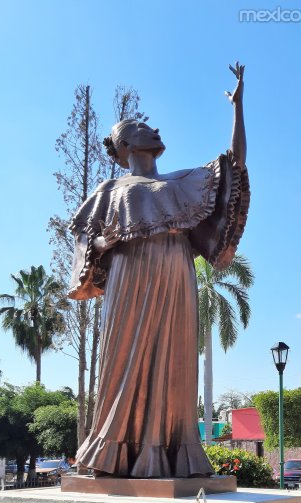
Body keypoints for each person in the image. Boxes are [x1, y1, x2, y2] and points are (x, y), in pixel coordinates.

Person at [69, 64, 250, 478]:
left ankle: (169, 452)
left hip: (175, 276)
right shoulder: (109, 191)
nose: (152, 129)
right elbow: (84, 247)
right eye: (141, 126)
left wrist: (238, 109)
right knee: (124, 360)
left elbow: (234, 165)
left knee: (175, 363)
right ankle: (114, 453)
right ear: (126, 143)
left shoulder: (184, 181)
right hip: (129, 279)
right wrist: (103, 243)